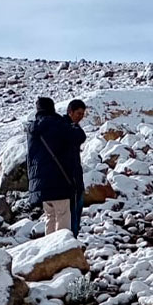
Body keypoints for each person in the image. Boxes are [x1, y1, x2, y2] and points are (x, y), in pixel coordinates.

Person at [25, 97, 79, 235]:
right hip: (58, 180)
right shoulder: (56, 124)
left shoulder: (32, 130)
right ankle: (62, 251)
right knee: (62, 216)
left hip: (40, 185)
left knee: (50, 216)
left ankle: (49, 251)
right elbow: (78, 137)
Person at [65, 99, 88, 236]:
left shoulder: (72, 127)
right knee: (73, 210)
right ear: (70, 112)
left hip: (75, 175)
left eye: (82, 114)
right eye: (78, 113)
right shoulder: (67, 128)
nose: (80, 116)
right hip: (70, 177)